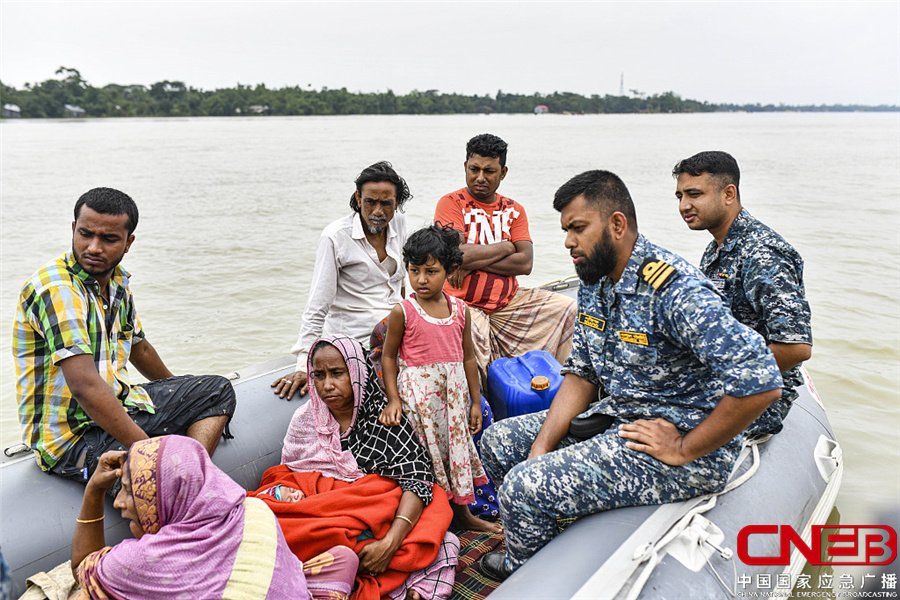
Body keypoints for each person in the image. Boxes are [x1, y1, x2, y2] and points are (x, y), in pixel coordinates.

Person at [477, 170, 784, 580]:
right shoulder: (595, 280)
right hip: (621, 418)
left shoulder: (673, 289)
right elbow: (582, 374)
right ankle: (548, 533)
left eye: (578, 228)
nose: (568, 241)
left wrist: (685, 447)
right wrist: (542, 447)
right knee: (498, 443)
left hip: (676, 445)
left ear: (617, 224)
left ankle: (527, 572)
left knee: (523, 486)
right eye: (566, 230)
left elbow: (761, 381)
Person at [13, 187, 235, 488]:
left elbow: (139, 349)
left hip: (122, 405)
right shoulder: (57, 289)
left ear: (128, 243)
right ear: (73, 229)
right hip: (73, 438)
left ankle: (194, 479)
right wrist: (149, 453)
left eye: (109, 239)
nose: (93, 247)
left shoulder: (117, 281)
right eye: (85, 234)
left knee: (216, 390)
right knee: (157, 481)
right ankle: (179, 491)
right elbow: (84, 387)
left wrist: (183, 400)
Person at [253, 336, 458, 600]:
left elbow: (417, 480)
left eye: (337, 374)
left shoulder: (386, 419)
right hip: (323, 522)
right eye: (319, 375)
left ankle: (348, 576)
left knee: (442, 534)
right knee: (263, 518)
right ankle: (363, 575)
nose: (327, 385)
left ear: (358, 373)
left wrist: (389, 544)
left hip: (377, 522)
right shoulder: (305, 420)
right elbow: (287, 477)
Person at [72, 435, 358, 599]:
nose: (120, 503)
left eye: (128, 492)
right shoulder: (254, 509)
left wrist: (94, 491)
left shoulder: (142, 560)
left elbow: (84, 568)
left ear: (161, 498)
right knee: (344, 558)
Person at [673, 151, 813, 436]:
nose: (684, 205)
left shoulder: (762, 253)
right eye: (679, 196)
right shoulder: (717, 248)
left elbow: (796, 347)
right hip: (720, 377)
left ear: (729, 194)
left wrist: (726, 379)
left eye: (694, 194)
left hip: (758, 393)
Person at [378, 224, 499, 533]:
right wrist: (393, 400)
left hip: (453, 403)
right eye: (414, 270)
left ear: (450, 270)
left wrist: (475, 401)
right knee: (428, 460)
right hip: (420, 408)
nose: (421, 279)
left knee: (455, 455)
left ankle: (465, 516)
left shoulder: (460, 310)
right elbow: (388, 357)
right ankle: (435, 521)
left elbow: (468, 357)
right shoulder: (403, 311)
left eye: (431, 271)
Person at [433, 133, 576, 384]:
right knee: (470, 336)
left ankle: (563, 389)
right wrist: (507, 246)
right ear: (465, 167)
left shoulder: (514, 209)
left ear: (503, 172)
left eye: (489, 171)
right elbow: (454, 254)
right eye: (474, 169)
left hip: (510, 302)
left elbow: (525, 264)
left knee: (568, 309)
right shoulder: (450, 203)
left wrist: (470, 259)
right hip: (462, 303)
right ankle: (479, 408)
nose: (480, 177)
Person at [273, 161, 412, 400]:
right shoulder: (336, 236)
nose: (378, 211)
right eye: (370, 202)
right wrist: (302, 365)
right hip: (357, 341)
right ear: (358, 198)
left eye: (386, 203)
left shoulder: (398, 223)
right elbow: (318, 304)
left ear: (396, 203)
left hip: (397, 333)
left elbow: (400, 286)